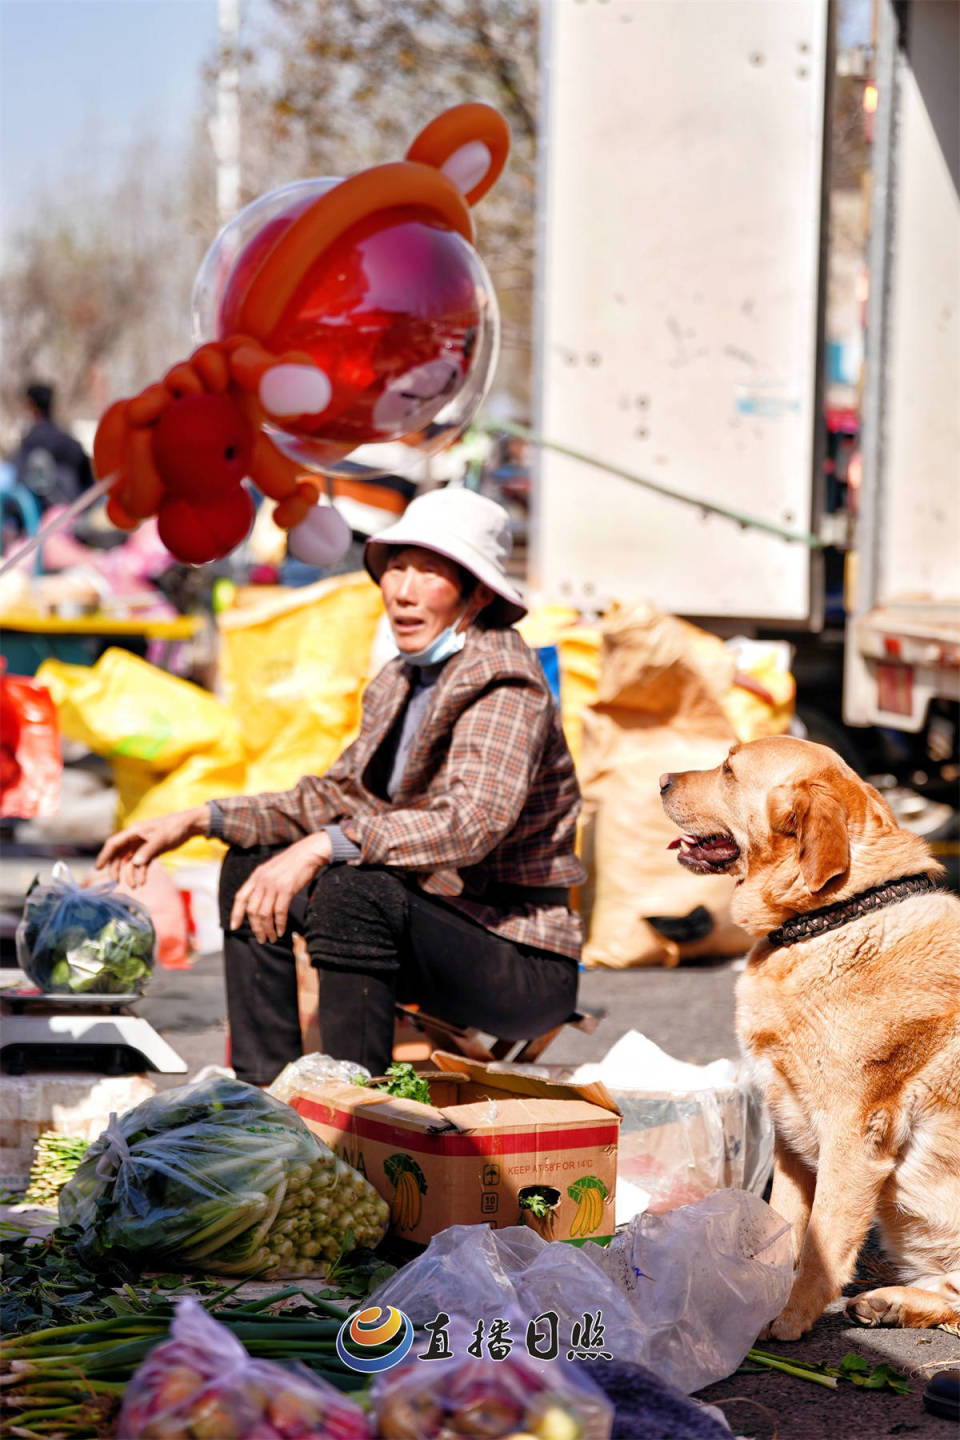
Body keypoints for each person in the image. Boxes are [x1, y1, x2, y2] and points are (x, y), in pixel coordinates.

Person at [96, 488, 584, 1084]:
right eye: (396, 568)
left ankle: (355, 1111)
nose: (402, 591)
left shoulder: (505, 685)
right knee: (255, 865)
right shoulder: (404, 680)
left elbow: (470, 823)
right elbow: (333, 797)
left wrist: (326, 845)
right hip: (431, 927)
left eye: (427, 573)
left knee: (355, 888)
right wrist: (198, 819)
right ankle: (263, 1095)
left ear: (477, 594)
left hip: (517, 959)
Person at [12, 382, 95, 513]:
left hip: (43, 521)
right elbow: (89, 481)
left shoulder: (30, 443)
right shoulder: (69, 442)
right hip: (76, 513)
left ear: (31, 405)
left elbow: (18, 488)